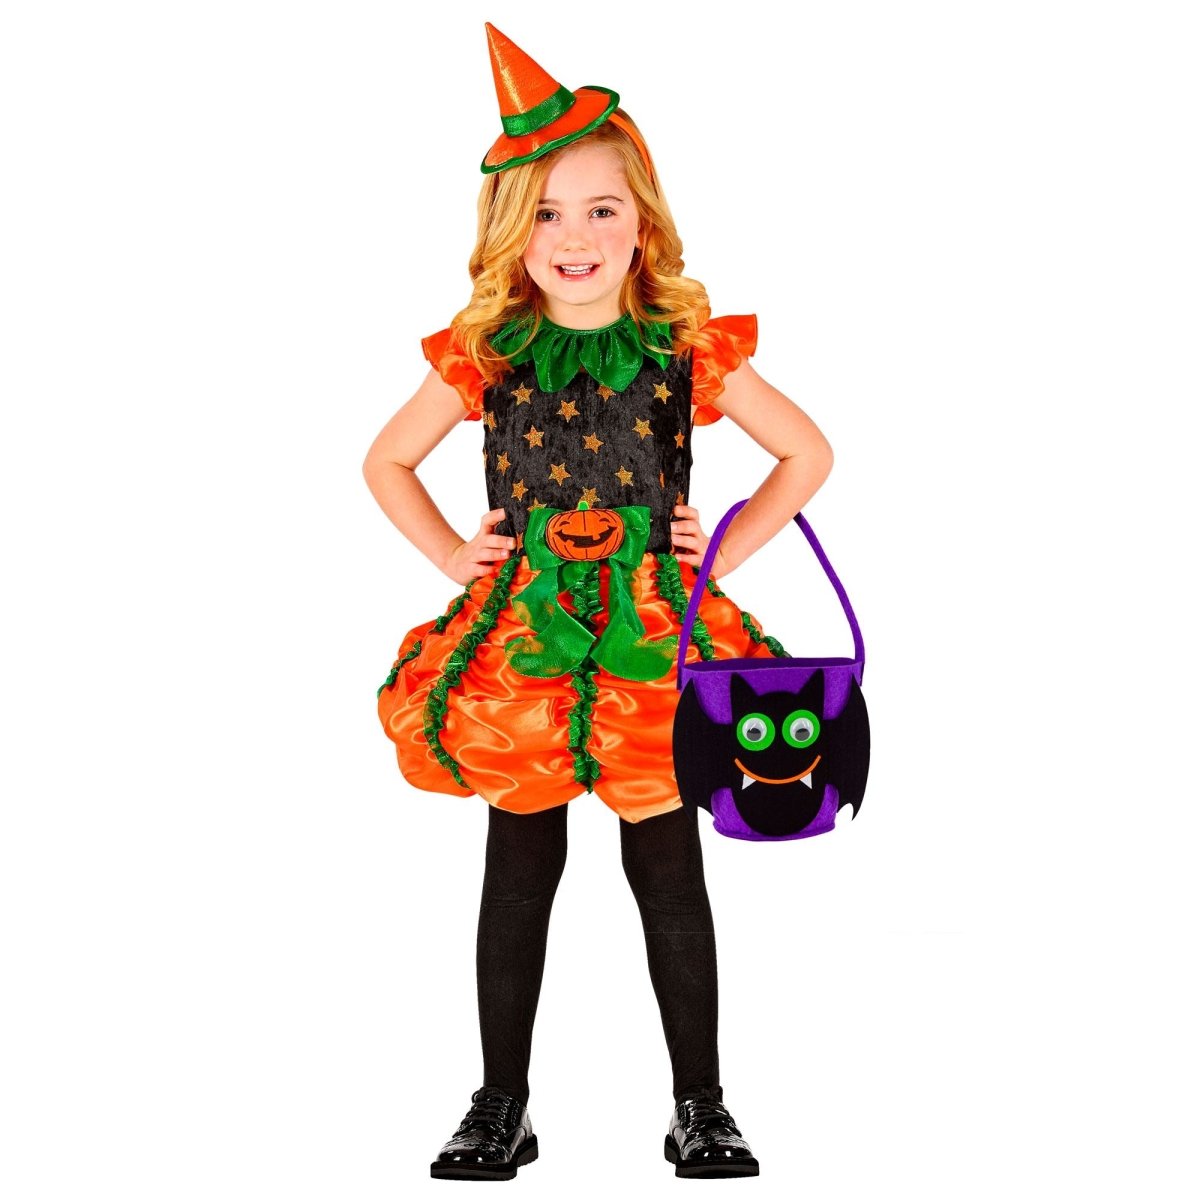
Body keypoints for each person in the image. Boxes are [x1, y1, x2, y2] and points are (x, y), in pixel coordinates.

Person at [363, 24, 833, 1181]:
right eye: (546, 215)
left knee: (668, 870)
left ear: (643, 222)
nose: (574, 238)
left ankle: (700, 1105)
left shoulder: (682, 345)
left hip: (650, 640)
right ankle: (501, 1103)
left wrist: (719, 557)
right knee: (518, 873)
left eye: (601, 210)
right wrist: (454, 556)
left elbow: (807, 453)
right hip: (526, 640)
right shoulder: (487, 349)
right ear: (510, 232)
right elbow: (386, 461)